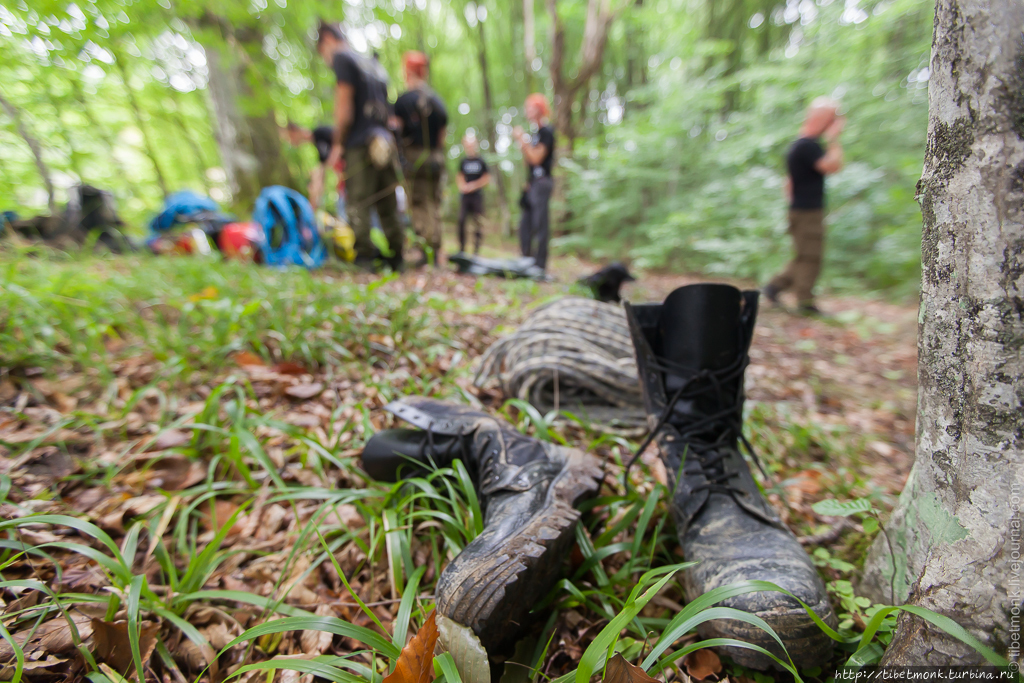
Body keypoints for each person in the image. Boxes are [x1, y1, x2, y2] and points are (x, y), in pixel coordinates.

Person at [316, 21, 403, 270]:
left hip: (360, 142)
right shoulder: (373, 65)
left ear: (328, 40)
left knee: (358, 201)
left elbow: (344, 108)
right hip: (384, 141)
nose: (325, 59)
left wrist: (338, 144)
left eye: (322, 52)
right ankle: (397, 256)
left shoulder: (343, 59)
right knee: (388, 201)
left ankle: (365, 258)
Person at [763, 97, 845, 314]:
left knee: (803, 254)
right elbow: (833, 166)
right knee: (810, 256)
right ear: (821, 118)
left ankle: (773, 287)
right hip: (807, 210)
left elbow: (787, 183)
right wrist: (834, 140)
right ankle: (805, 302)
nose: (833, 123)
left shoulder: (800, 145)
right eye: (831, 119)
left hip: (801, 209)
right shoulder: (807, 145)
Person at [394, 51, 449, 266]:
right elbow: (442, 138)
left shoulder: (403, 100)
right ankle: (435, 249)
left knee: (418, 203)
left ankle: (425, 250)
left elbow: (396, 132)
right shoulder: (438, 102)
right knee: (433, 203)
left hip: (415, 157)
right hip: (436, 158)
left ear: (407, 71)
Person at [513, 94, 555, 273]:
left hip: (543, 182)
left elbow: (537, 158)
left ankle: (540, 265)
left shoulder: (546, 131)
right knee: (525, 224)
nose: (527, 111)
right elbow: (529, 161)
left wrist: (522, 140)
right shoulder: (535, 134)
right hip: (532, 184)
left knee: (540, 223)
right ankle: (526, 260)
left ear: (539, 109)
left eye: (530, 107)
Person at [283, 122, 345, 217]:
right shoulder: (317, 146)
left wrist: (331, 160)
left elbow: (341, 141)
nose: (291, 142)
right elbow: (322, 171)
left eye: (290, 137)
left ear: (295, 131)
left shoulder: (321, 132)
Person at [455, 134, 490, 254]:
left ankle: (476, 251)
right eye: (467, 145)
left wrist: (473, 186)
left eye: (471, 144)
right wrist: (463, 186)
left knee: (478, 222)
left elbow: (486, 178)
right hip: (465, 197)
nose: (470, 147)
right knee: (461, 220)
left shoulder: (481, 160)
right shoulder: (463, 161)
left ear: (475, 145)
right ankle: (462, 249)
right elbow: (459, 176)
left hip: (477, 196)